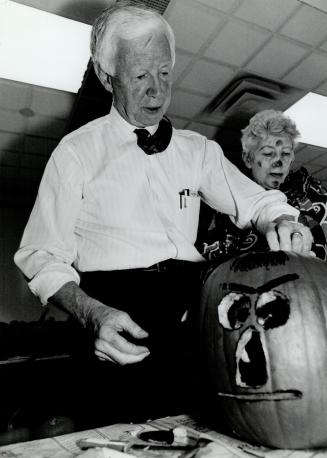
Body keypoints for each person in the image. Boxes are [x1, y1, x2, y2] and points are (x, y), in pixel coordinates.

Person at [14, 3, 312, 427]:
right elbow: (41, 255)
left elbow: (260, 202)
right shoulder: (76, 152)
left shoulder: (198, 151)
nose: (157, 91)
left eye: (165, 73)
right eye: (139, 76)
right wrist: (91, 313)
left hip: (192, 323)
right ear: (106, 77)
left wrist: (281, 219)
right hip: (115, 324)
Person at [199, 109, 327, 263]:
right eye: (268, 154)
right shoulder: (221, 198)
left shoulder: (315, 195)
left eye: (285, 154)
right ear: (248, 158)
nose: (278, 163)